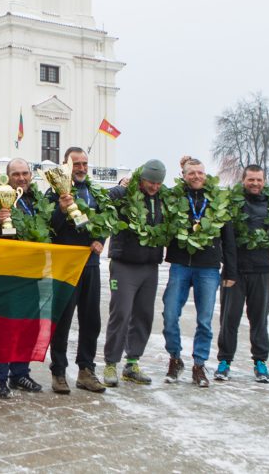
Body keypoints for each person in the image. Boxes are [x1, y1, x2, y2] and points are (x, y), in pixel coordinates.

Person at [215, 164, 269, 384]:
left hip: (264, 271)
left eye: (259, 180)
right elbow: (221, 236)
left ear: (264, 180)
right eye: (251, 179)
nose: (255, 184)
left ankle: (260, 362)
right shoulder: (231, 204)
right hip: (235, 272)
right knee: (229, 319)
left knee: (259, 319)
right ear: (243, 180)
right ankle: (224, 361)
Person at [162, 157, 237, 388]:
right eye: (191, 173)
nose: (196, 176)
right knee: (169, 314)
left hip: (208, 267)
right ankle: (175, 358)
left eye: (200, 172)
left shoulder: (217, 200)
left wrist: (230, 271)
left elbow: (228, 239)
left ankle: (199, 364)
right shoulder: (174, 197)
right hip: (181, 264)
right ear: (183, 175)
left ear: (206, 174)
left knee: (204, 320)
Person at [0, 158, 49, 397]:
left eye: (25, 173)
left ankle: (20, 373)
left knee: (28, 327)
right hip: (4, 273)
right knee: (3, 328)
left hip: (31, 272)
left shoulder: (37, 201)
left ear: (30, 175)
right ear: (7, 176)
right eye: (16, 174)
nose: (21, 178)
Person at [47, 147, 109, 394]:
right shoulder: (52, 193)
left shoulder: (95, 192)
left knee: (91, 320)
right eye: (76, 164)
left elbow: (105, 220)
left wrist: (100, 239)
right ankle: (58, 372)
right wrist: (61, 211)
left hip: (90, 263)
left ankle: (86, 370)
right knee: (62, 320)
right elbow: (48, 226)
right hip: (64, 264)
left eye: (84, 163)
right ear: (65, 166)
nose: (82, 168)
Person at [103, 159, 167, 387]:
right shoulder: (124, 195)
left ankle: (132, 363)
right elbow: (104, 198)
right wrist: (122, 186)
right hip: (124, 264)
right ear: (142, 178)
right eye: (151, 182)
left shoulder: (163, 198)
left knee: (143, 315)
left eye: (159, 183)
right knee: (120, 312)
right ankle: (111, 363)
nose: (154, 187)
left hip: (150, 266)